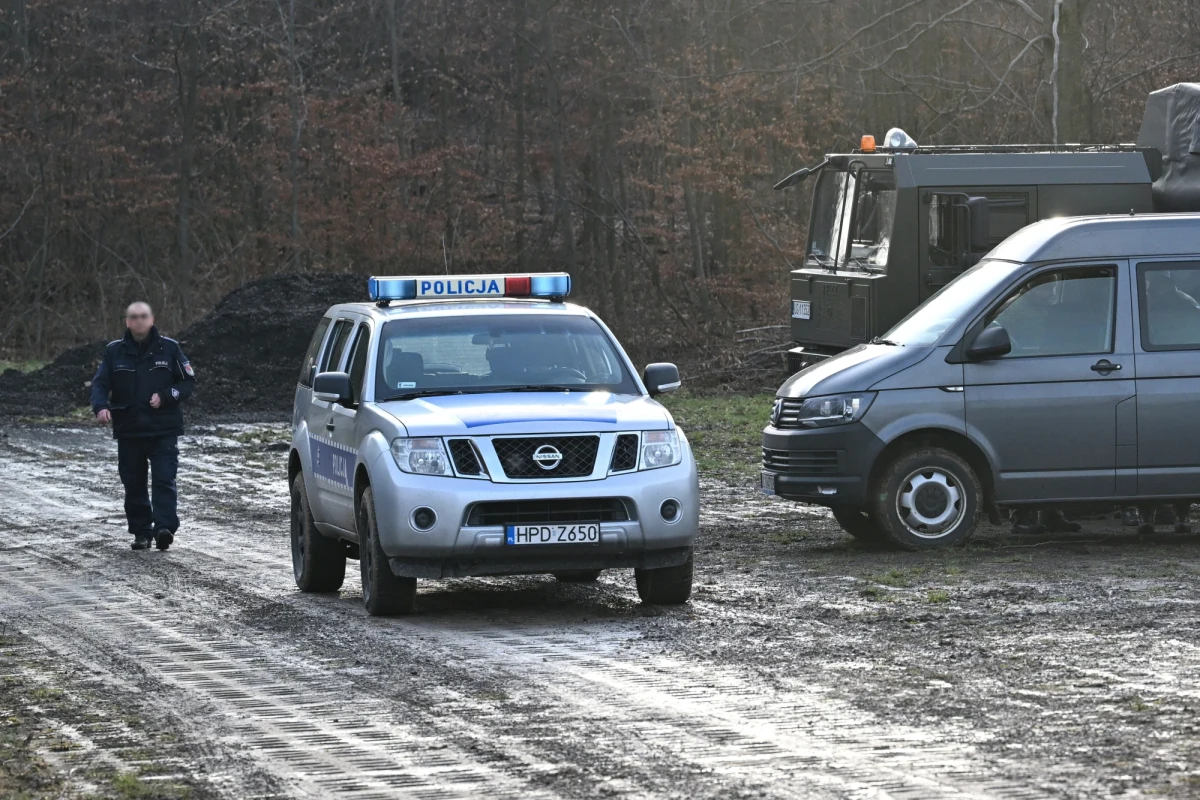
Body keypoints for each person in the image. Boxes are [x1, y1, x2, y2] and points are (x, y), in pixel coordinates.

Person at [91, 302, 196, 550]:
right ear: (127, 322)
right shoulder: (114, 352)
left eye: (143, 316)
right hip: (129, 430)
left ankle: (164, 529)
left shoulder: (170, 349)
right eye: (134, 317)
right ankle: (141, 532)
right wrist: (100, 407)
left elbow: (187, 383)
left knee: (164, 480)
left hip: (163, 429)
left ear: (152, 319)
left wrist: (167, 395)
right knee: (133, 482)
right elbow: (100, 384)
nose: (139, 321)